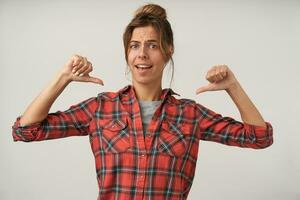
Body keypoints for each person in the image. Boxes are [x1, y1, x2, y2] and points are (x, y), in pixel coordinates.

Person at [12, 3, 273, 200]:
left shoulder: (190, 114)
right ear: (127, 52)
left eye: (153, 45)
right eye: (135, 45)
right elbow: (26, 130)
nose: (142, 54)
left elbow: (258, 137)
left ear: (168, 50)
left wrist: (233, 86)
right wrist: (63, 77)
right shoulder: (101, 109)